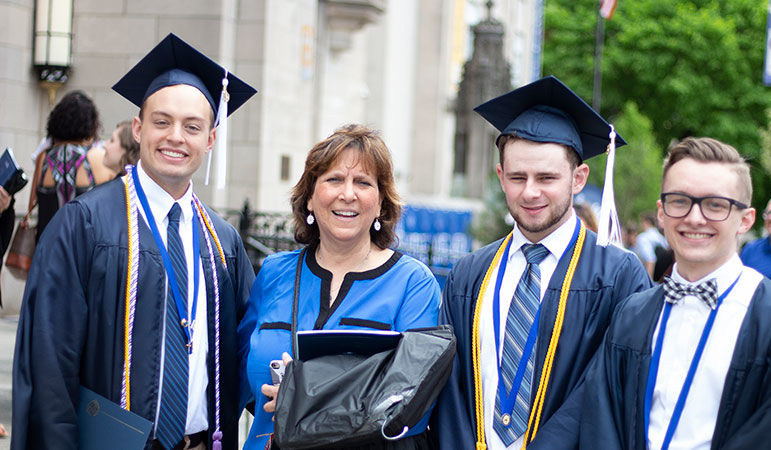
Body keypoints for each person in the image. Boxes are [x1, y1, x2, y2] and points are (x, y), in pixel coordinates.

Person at [12, 33, 257, 450]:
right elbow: (50, 366)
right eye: (162, 122)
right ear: (139, 129)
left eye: (192, 126)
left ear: (210, 139)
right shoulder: (85, 225)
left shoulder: (223, 243)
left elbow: (247, 354)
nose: (176, 137)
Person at [432, 75, 652, 450]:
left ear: (578, 178)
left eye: (547, 177)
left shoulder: (617, 275)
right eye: (518, 177)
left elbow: (610, 388)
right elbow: (450, 391)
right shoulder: (469, 275)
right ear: (501, 177)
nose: (530, 192)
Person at [580, 137, 771, 449]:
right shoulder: (632, 314)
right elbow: (601, 423)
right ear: (661, 212)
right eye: (680, 201)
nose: (695, 218)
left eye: (715, 205)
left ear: (746, 219)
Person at [237, 124, 441, 450]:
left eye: (363, 182)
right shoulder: (274, 274)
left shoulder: (412, 284)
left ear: (381, 204)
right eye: (333, 180)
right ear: (309, 199)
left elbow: (412, 404)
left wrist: (305, 399)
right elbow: (233, 378)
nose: (348, 194)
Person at [26, 90, 101, 241]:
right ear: (90, 124)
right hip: (85, 250)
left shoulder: (44, 158)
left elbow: (32, 204)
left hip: (47, 249)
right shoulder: (96, 158)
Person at [633, 211, 669, 280]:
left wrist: (648, 283)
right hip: (662, 278)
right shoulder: (661, 237)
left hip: (650, 278)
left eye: (642, 222)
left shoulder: (643, 238)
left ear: (647, 222)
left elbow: (650, 260)